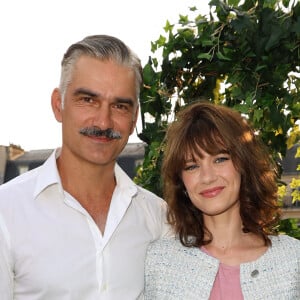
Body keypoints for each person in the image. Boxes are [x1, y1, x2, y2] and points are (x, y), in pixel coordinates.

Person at [0, 35, 171, 299]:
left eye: (120, 106)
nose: (103, 122)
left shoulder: (158, 219)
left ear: (134, 117)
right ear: (59, 105)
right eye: (88, 100)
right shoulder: (7, 213)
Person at [144, 101, 300, 299]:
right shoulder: (160, 262)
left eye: (220, 159)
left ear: (244, 165)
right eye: (192, 166)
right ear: (181, 182)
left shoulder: (292, 260)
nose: (207, 177)